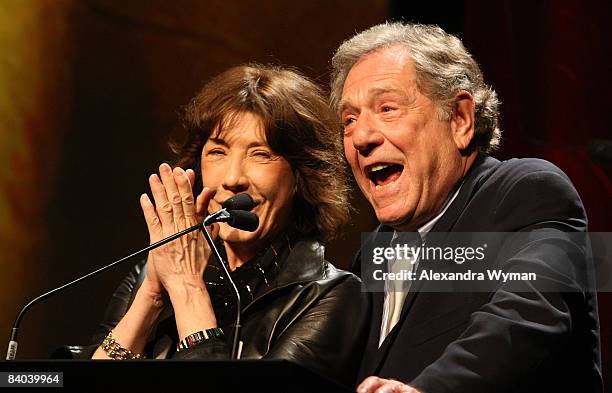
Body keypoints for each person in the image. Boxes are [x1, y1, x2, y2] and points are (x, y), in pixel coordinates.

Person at [56, 64, 369, 387]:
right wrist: (151, 296)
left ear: (301, 177)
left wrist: (188, 289)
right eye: (218, 151)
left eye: (260, 154)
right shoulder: (151, 275)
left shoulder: (333, 296)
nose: (233, 179)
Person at [330, 22, 602, 392]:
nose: (361, 137)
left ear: (460, 119)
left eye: (387, 108)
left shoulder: (524, 193)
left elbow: (525, 315)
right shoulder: (371, 256)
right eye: (349, 120)